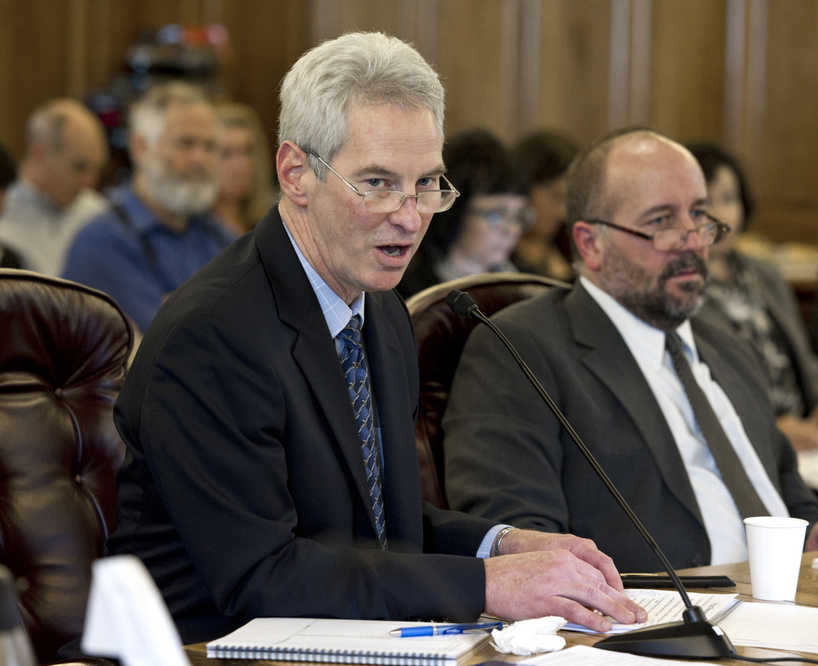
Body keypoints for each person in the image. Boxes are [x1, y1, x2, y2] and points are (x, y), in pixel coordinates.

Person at [108, 33, 644, 644]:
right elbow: (264, 575)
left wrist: (506, 544)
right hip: (208, 649)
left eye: (426, 184)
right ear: (295, 173)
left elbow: (383, 529)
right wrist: (488, 586)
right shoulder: (212, 336)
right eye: (379, 183)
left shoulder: (379, 309)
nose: (411, 216)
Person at [442, 128, 818, 573]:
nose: (692, 240)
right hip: (655, 620)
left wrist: (815, 532)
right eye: (661, 222)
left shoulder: (729, 349)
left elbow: (786, 488)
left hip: (794, 597)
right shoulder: (520, 350)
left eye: (698, 215)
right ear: (591, 244)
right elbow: (518, 541)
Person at [688, 144, 818, 460]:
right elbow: (699, 393)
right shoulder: (681, 287)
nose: (720, 215)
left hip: (810, 438)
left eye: (729, 199)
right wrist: (772, 428)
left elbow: (803, 357)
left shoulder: (764, 274)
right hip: (743, 445)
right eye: (706, 203)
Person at [62, 82, 233, 330]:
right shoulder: (101, 243)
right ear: (140, 148)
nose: (200, 159)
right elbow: (164, 344)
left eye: (210, 147)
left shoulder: (220, 239)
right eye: (185, 144)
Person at [397, 128, 530, 298]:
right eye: (496, 215)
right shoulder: (409, 291)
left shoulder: (529, 283)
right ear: (455, 213)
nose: (512, 230)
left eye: (518, 215)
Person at [0, 99, 108, 275]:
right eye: (79, 167)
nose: (89, 182)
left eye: (96, 170)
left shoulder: (99, 215)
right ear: (38, 155)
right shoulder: (4, 211)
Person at [510, 130, 579, 281]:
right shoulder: (496, 249)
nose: (563, 214)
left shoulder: (570, 243)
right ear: (524, 189)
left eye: (568, 200)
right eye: (556, 197)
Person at [212, 101, 275, 235]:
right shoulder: (193, 232)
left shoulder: (270, 223)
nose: (241, 164)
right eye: (226, 154)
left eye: (248, 151)